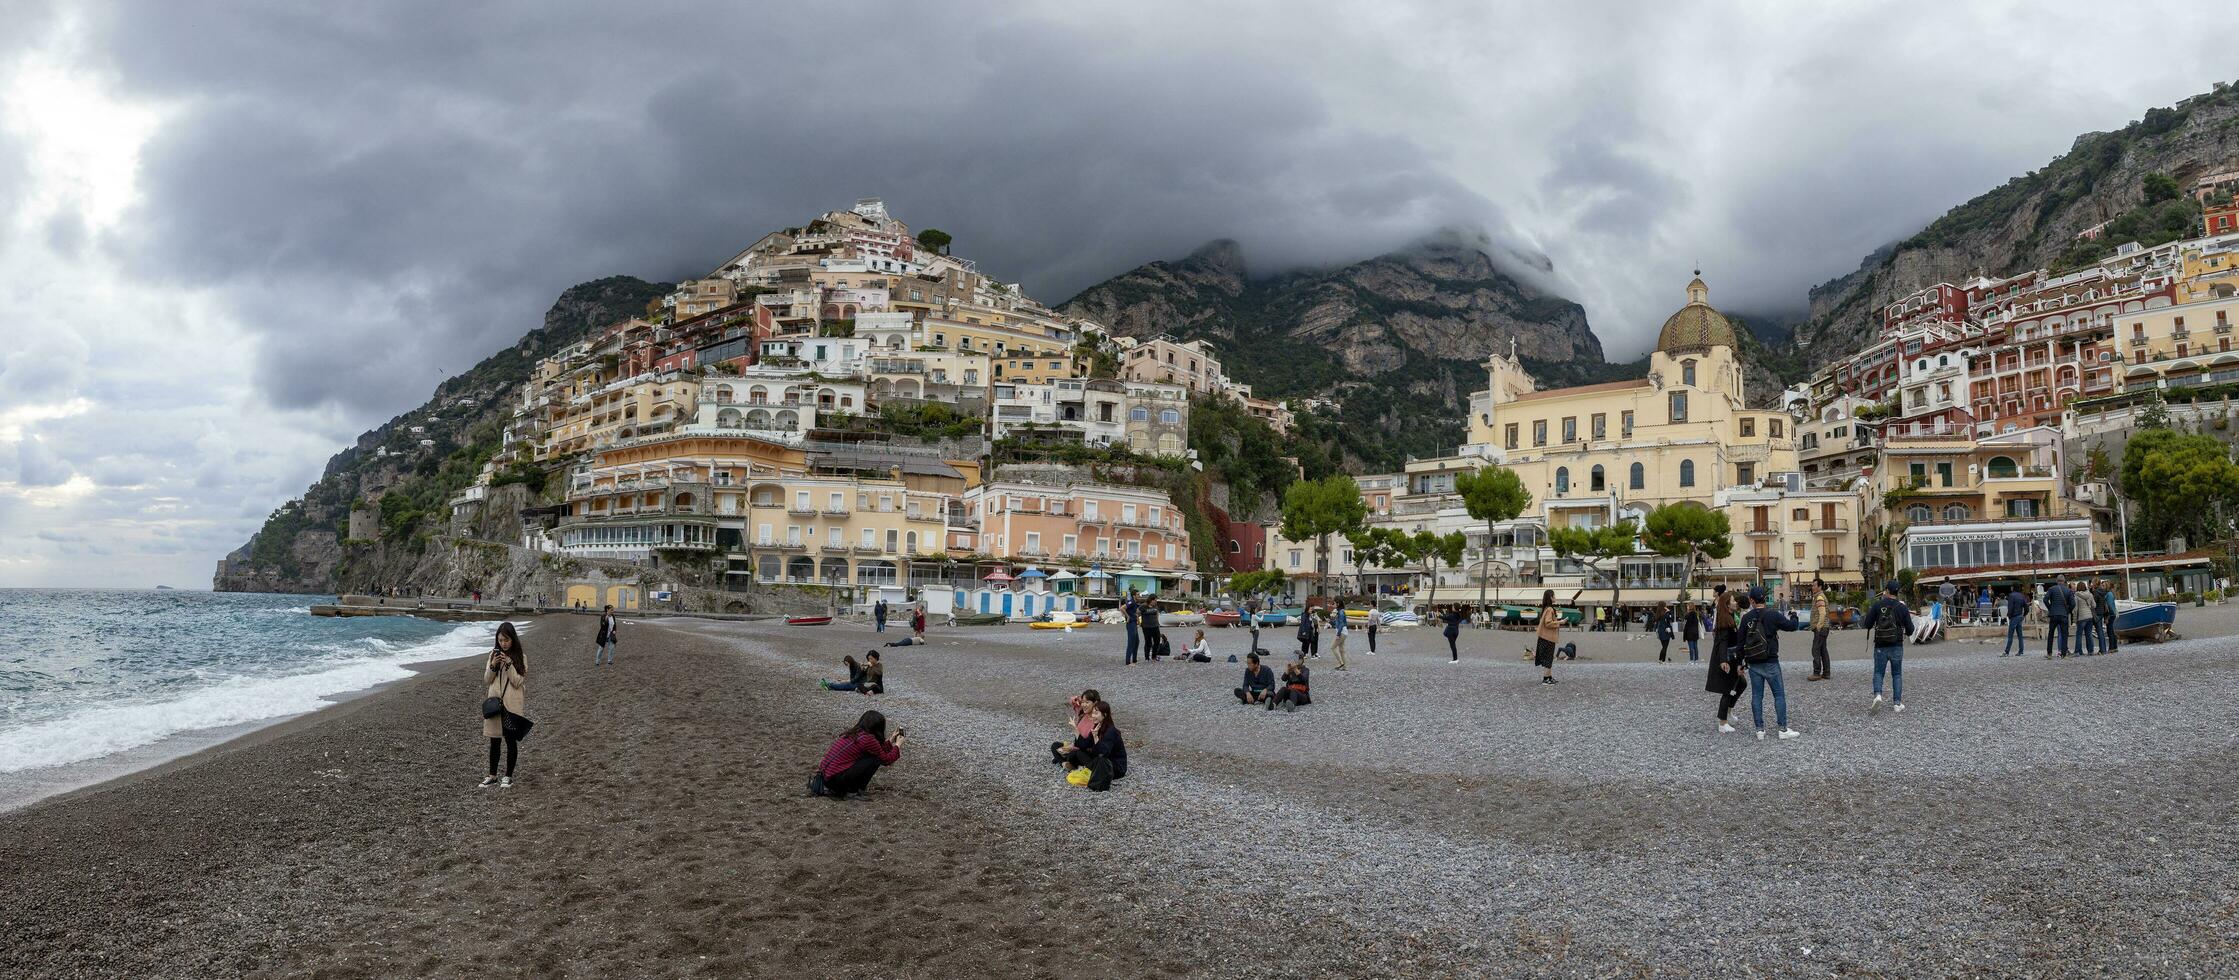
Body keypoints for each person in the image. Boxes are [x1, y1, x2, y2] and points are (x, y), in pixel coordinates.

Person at [1735, 587, 1802, 740]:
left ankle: (1759, 730)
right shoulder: (1773, 615)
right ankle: (1782, 729)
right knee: (1778, 695)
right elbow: (1792, 627)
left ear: (1752, 600)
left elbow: (1740, 644)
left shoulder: (1746, 618)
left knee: (1757, 696)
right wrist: (1793, 616)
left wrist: (1739, 663)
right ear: (1764, 599)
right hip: (1771, 661)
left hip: (1753, 663)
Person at [810, 710, 904, 799]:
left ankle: (851, 789)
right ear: (877, 728)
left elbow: (878, 749)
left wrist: (891, 740)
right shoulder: (868, 739)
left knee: (872, 756)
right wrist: (898, 745)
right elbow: (886, 759)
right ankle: (852, 791)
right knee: (874, 759)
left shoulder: (854, 733)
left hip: (826, 777)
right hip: (835, 780)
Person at [480, 621, 528, 788]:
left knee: (510, 740)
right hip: (495, 704)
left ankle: (508, 775)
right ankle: (492, 775)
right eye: (500, 640)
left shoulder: (521, 657)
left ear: (513, 639)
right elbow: (487, 680)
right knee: (494, 741)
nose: (503, 643)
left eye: (506, 640)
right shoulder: (492, 655)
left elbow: (517, 681)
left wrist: (508, 663)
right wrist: (493, 664)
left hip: (512, 705)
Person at [1860, 580, 1912, 714]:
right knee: (1897, 674)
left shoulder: (1878, 605)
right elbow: (1911, 630)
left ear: (1887, 590)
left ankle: (1878, 695)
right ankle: (1897, 704)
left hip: (1880, 645)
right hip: (1896, 645)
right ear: (1897, 592)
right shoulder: (1902, 607)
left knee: (1878, 672)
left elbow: (1867, 623)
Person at [1052, 702, 1127, 786]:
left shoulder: (1111, 731)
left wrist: (1095, 738)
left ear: (1105, 715)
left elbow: (1103, 754)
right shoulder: (1097, 727)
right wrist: (1075, 729)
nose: (1093, 716)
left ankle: (1082, 767)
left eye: (1096, 713)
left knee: (1083, 756)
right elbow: (1084, 745)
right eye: (1093, 713)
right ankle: (1070, 763)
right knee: (1076, 753)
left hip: (1114, 767)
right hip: (1100, 761)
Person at [1534, 590, 1561, 686]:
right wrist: (1560, 622)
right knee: (1548, 658)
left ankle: (1549, 677)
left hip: (1544, 637)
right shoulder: (1550, 609)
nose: (1555, 597)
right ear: (1551, 597)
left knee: (1548, 657)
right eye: (1554, 595)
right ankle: (1546, 679)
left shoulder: (1546, 608)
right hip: (1548, 637)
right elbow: (1548, 623)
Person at [2042, 577, 2074, 659]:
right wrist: (2068, 611)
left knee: (2051, 634)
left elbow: (2045, 599)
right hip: (2063, 615)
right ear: (2064, 581)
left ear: (2056, 581)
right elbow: (2073, 603)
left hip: (2053, 615)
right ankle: (2063, 654)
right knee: (2064, 634)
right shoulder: (2068, 590)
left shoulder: (2052, 589)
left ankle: (2049, 653)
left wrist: (2050, 608)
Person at [1807, 587, 1831, 681]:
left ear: (1819, 587)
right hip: (1825, 627)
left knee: (1815, 650)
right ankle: (1826, 673)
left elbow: (1822, 613)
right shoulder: (1820, 596)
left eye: (1814, 585)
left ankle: (1816, 673)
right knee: (1823, 650)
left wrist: (1818, 626)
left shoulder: (1819, 597)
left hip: (1821, 628)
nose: (1812, 587)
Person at [2001, 586, 2030, 656]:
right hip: (2020, 616)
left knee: (2010, 635)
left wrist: (2009, 616)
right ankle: (2021, 651)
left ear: (2013, 588)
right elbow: (2026, 607)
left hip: (2014, 617)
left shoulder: (2011, 596)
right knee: (2020, 635)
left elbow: (2010, 607)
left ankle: (2006, 652)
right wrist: (2024, 615)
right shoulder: (2022, 596)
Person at [2074, 578, 2099, 655]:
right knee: (2089, 634)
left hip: (2081, 617)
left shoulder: (2077, 595)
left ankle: (2078, 651)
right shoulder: (2090, 594)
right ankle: (2090, 651)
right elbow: (2094, 605)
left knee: (2079, 635)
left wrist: (2074, 620)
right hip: (2089, 617)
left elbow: (2076, 609)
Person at [2096, 580, 2120, 654]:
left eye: (2103, 586)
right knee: (2111, 631)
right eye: (2102, 585)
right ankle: (2114, 646)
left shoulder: (2108, 594)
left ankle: (2112, 647)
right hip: (2111, 614)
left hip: (2110, 614)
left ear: (2107, 586)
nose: (2102, 587)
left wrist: (2108, 616)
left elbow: (2109, 605)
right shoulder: (2108, 594)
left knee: (2110, 632)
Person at [1329, 602, 1350, 671]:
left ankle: (1341, 663)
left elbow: (1341, 624)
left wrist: (1338, 634)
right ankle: (1345, 666)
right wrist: (1332, 622)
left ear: (1338, 603)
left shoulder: (1340, 612)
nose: (1333, 604)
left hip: (1341, 632)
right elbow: (1339, 623)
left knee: (1333, 647)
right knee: (1342, 650)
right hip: (1344, 631)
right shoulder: (1341, 611)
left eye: (1334, 603)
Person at [1122, 592, 1141, 665]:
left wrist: (1139, 623)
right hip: (1130, 624)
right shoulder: (1131, 602)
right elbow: (1122, 608)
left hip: (1134, 624)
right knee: (1131, 642)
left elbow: (1136, 614)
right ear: (1134, 596)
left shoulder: (1135, 604)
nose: (1139, 596)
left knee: (1136, 642)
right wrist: (1128, 616)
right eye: (1138, 595)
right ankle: (1128, 662)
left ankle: (1134, 660)